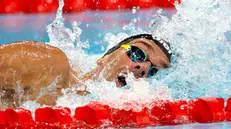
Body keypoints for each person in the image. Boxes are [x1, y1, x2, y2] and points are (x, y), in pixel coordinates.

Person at [0, 34, 172, 109]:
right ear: (108, 55)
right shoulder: (50, 61)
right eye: (137, 54)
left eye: (152, 71)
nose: (143, 68)